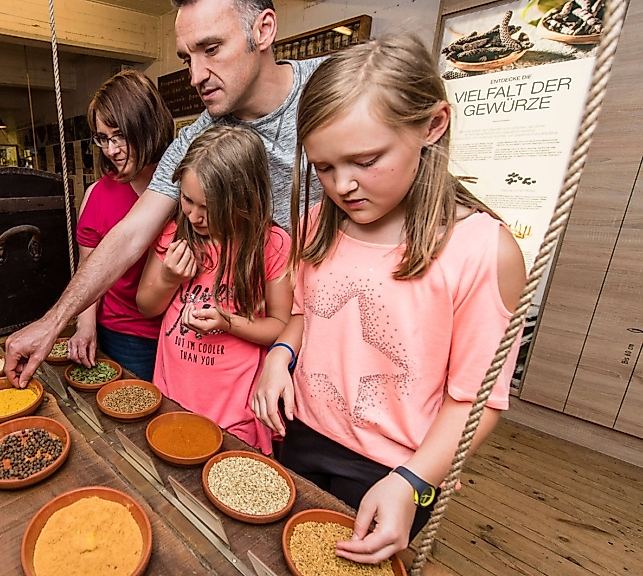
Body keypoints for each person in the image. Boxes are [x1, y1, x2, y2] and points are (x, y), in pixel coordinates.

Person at [250, 34, 527, 565]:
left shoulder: (480, 250)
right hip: (302, 432)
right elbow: (307, 316)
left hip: (395, 466)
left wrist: (414, 481)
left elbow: (474, 399)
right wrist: (279, 358)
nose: (342, 185)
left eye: (365, 160)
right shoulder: (316, 227)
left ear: (432, 125)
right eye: (325, 168)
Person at [5, 0, 322, 387]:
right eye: (187, 58)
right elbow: (128, 234)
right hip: (262, 351)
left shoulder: (330, 91)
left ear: (263, 29)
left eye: (211, 49)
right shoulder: (195, 141)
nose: (196, 75)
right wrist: (52, 323)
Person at [136, 125, 290, 453]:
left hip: (235, 413)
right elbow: (146, 306)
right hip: (171, 397)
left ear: (243, 199)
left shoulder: (272, 246)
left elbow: (281, 326)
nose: (193, 215)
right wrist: (168, 280)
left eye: (208, 207)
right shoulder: (174, 233)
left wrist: (227, 322)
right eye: (187, 200)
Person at [66, 70, 174, 381]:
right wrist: (85, 326)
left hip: (181, 335)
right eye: (103, 138)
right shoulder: (96, 195)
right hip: (122, 335)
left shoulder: (186, 188)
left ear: (147, 127)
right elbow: (88, 268)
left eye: (120, 135)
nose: (111, 150)